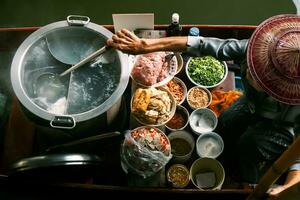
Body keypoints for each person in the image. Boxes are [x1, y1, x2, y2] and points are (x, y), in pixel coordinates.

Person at [107, 14, 300, 198]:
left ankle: (242, 180)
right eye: (253, 66)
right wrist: (145, 45)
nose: (249, 69)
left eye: (257, 74)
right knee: (225, 121)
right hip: (251, 103)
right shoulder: (259, 50)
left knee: (250, 146)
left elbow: (297, 154)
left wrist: (286, 188)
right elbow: (204, 44)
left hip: (282, 128)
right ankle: (223, 155)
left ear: (274, 87)